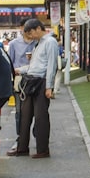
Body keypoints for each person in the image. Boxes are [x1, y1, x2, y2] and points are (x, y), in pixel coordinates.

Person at [8, 19, 59, 159]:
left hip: (41, 82)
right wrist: (20, 70)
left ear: (38, 28)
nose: (30, 37)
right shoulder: (38, 43)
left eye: (31, 33)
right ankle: (22, 147)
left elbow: (51, 66)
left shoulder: (50, 42)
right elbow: (35, 65)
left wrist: (49, 86)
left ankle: (43, 149)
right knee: (25, 116)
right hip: (31, 80)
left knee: (40, 117)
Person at [7, 21, 37, 137]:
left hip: (35, 79)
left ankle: (35, 132)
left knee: (36, 110)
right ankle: (20, 137)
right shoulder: (14, 44)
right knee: (19, 110)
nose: (30, 31)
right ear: (21, 28)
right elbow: (10, 62)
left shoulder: (38, 43)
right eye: (27, 28)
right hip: (19, 80)